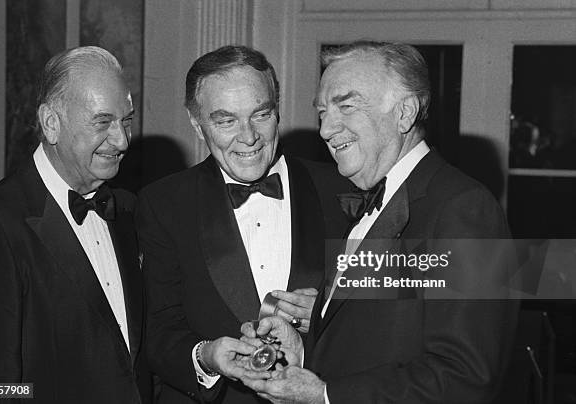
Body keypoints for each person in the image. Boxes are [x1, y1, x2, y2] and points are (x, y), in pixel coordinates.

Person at [239, 40, 518, 403]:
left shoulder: (463, 209)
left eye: (347, 106)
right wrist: (304, 352)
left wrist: (326, 395)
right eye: (322, 112)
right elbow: (378, 343)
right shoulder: (364, 207)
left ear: (404, 113)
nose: (325, 129)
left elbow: (465, 376)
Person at [136, 45, 348, 403]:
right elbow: (157, 330)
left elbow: (389, 318)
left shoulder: (343, 189)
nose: (248, 137)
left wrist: (328, 313)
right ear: (196, 123)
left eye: (260, 114)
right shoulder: (163, 204)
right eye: (225, 120)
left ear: (277, 110)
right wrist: (206, 356)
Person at [0, 46, 150, 403]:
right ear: (51, 123)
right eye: (103, 122)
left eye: (126, 120)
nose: (122, 140)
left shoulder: (127, 209)